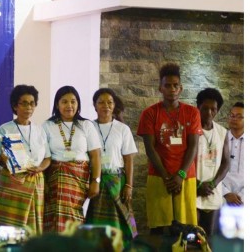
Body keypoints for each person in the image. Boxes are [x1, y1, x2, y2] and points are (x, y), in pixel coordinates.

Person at [137, 63, 202, 234]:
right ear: (160, 88)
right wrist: (167, 177)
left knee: (185, 230)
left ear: (181, 88)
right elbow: (150, 149)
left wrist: (180, 175)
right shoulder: (150, 113)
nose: (171, 89)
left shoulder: (192, 112)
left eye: (175, 85)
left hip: (186, 176)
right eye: (167, 85)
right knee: (158, 228)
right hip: (159, 176)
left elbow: (193, 146)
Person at [0, 85, 51, 235]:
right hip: (12, 182)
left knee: (32, 227)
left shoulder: (40, 130)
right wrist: (4, 160)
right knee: (10, 225)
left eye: (32, 103)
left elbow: (47, 158)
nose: (28, 107)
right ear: (15, 105)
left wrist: (40, 168)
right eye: (23, 103)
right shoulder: (5, 129)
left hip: (35, 181)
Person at [42, 85, 101, 233]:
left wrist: (96, 181)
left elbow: (95, 156)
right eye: (64, 102)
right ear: (57, 104)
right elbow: (42, 156)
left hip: (79, 180)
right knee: (54, 216)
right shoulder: (47, 125)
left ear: (78, 104)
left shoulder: (86, 125)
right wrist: (43, 182)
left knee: (75, 215)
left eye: (73, 101)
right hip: (54, 178)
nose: (69, 105)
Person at [86, 88, 138, 247]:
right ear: (94, 106)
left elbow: (128, 159)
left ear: (114, 105)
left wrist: (129, 185)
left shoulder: (122, 129)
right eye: (101, 102)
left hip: (117, 182)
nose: (105, 106)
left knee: (120, 223)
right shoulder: (88, 127)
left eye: (109, 102)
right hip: (96, 182)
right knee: (97, 226)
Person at [195, 88, 230, 235]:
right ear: (198, 107)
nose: (209, 113)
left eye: (213, 109)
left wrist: (212, 184)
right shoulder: (190, 130)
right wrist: (198, 185)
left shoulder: (222, 132)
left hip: (213, 192)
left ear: (218, 110)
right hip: (193, 191)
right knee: (191, 236)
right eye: (205, 108)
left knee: (208, 237)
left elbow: (226, 163)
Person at [222, 102, 244, 206]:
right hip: (220, 196)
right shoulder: (220, 139)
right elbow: (212, 170)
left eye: (239, 116)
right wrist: (225, 193)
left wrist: (242, 196)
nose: (234, 119)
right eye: (232, 115)